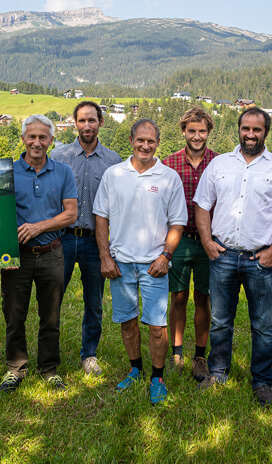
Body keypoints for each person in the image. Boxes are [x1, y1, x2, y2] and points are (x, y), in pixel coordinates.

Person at [194, 107, 272, 406]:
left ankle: (262, 381)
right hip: (223, 255)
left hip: (261, 260)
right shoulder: (219, 165)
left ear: (266, 132)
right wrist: (206, 240)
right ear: (239, 129)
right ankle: (217, 373)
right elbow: (202, 205)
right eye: (246, 128)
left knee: (263, 324)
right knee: (220, 320)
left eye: (257, 129)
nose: (251, 134)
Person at [93, 119, 187, 405]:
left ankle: (157, 376)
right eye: (140, 140)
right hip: (120, 264)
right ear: (131, 140)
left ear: (158, 142)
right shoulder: (113, 174)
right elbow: (101, 217)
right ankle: (135, 368)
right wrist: (105, 257)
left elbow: (178, 222)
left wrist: (166, 255)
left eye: (151, 141)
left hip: (154, 265)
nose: (145, 146)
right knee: (127, 321)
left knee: (157, 325)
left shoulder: (169, 177)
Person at [0, 115, 77, 392]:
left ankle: (49, 368)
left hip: (51, 252)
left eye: (43, 137)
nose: (37, 142)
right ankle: (15, 369)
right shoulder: (5, 172)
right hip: (15, 256)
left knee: (51, 313)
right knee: (14, 312)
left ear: (51, 141)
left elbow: (71, 213)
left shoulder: (63, 171)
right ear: (22, 139)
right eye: (31, 136)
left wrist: (38, 227)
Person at [50, 101, 121, 375]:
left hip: (95, 241)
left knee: (94, 301)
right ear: (75, 122)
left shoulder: (113, 161)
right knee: (53, 297)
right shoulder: (59, 156)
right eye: (82, 121)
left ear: (100, 122)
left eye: (92, 120)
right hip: (63, 239)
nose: (87, 126)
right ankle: (50, 354)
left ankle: (89, 354)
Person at [161, 107, 217, 381]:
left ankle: (200, 356)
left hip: (209, 241)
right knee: (179, 296)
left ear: (209, 133)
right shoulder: (169, 164)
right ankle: (177, 352)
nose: (197, 136)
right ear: (183, 131)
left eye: (202, 131)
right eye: (192, 131)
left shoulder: (219, 163)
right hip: (179, 240)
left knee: (203, 298)